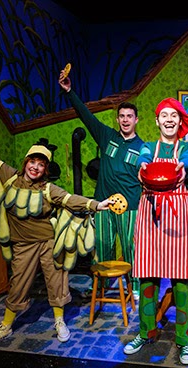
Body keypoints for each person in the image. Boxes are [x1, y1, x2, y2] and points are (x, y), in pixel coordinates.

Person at [0, 114, 113, 348]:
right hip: (22, 244)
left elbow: (70, 199)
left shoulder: (48, 189)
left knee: (56, 281)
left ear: (45, 169)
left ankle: (59, 321)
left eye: (41, 164)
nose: (36, 167)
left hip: (48, 242)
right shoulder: (9, 177)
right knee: (18, 284)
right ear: (26, 162)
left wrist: (97, 205)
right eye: (33, 162)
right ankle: (5, 325)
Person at [123, 98, 188, 365]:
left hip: (177, 216)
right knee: (147, 279)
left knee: (181, 282)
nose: (168, 120)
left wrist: (183, 167)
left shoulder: (187, 147)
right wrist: (143, 166)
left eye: (173, 116)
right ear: (157, 121)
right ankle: (146, 332)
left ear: (179, 121)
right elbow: (143, 159)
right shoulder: (147, 147)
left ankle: (185, 341)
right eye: (164, 115)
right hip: (150, 215)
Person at [59, 67, 144, 299]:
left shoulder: (143, 148)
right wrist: (69, 92)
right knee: (103, 245)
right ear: (117, 119)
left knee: (130, 247)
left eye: (129, 116)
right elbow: (85, 116)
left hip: (131, 206)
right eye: (122, 116)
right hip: (103, 204)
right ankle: (101, 284)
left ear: (136, 120)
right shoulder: (107, 136)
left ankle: (135, 285)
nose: (125, 120)